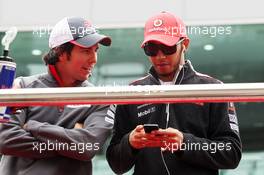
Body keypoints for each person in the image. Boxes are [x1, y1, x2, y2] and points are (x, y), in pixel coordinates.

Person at [106, 11, 242, 175]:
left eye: (167, 47)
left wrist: (186, 143)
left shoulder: (213, 88)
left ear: (185, 44)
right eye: (152, 49)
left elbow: (231, 153)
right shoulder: (132, 93)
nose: (160, 56)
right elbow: (116, 164)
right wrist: (130, 143)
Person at [0, 17, 114, 175]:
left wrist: (33, 126)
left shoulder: (98, 98)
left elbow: (88, 147)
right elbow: (5, 140)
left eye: (96, 51)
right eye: (86, 50)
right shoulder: (22, 87)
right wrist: (70, 144)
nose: (94, 59)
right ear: (60, 53)